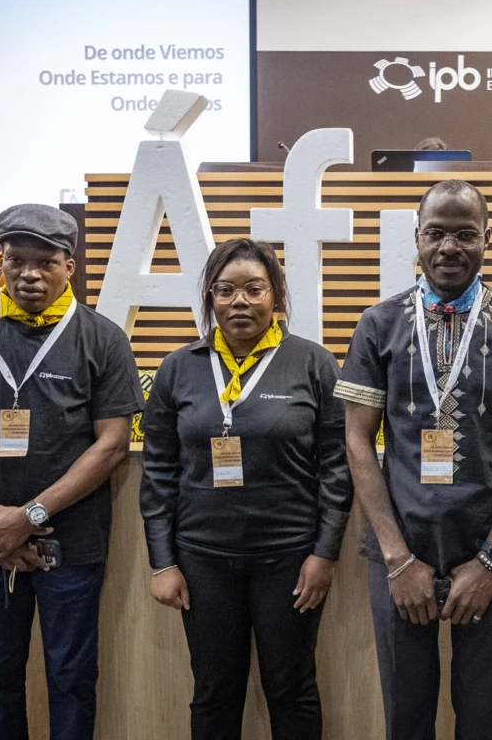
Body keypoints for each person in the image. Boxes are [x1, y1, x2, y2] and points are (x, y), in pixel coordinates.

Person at [337, 179, 492, 740]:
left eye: (465, 234)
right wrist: (395, 559)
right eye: (436, 233)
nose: (449, 247)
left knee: (484, 720)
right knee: (406, 718)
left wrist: (491, 560)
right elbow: (358, 441)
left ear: (488, 238)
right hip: (400, 551)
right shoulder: (378, 324)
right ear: (417, 237)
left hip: (488, 552)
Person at [0, 203, 145, 739]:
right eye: (16, 260)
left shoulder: (103, 339)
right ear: (0, 262)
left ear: (69, 266)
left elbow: (113, 445)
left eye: (45, 262)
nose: (29, 274)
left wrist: (29, 516)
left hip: (69, 546)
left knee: (72, 680)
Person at [140, 238, 351, 740]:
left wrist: (325, 554)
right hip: (203, 559)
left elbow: (337, 469)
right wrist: (162, 562)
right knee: (214, 692)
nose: (240, 302)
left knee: (292, 689)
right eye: (225, 290)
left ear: (275, 295)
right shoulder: (179, 368)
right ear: (209, 297)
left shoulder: (313, 364)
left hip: (290, 559)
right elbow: (159, 471)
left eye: (254, 289)